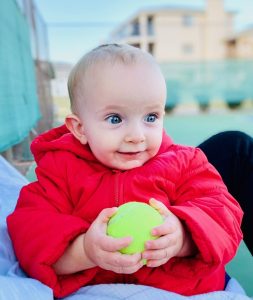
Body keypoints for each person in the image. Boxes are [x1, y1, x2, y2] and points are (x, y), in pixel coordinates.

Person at [7, 44, 243, 298]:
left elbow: (224, 212)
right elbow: (30, 234)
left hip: (182, 290)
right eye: (115, 119)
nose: (136, 136)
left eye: (151, 117)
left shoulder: (185, 163)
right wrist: (85, 251)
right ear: (80, 128)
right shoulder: (60, 171)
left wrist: (183, 236)